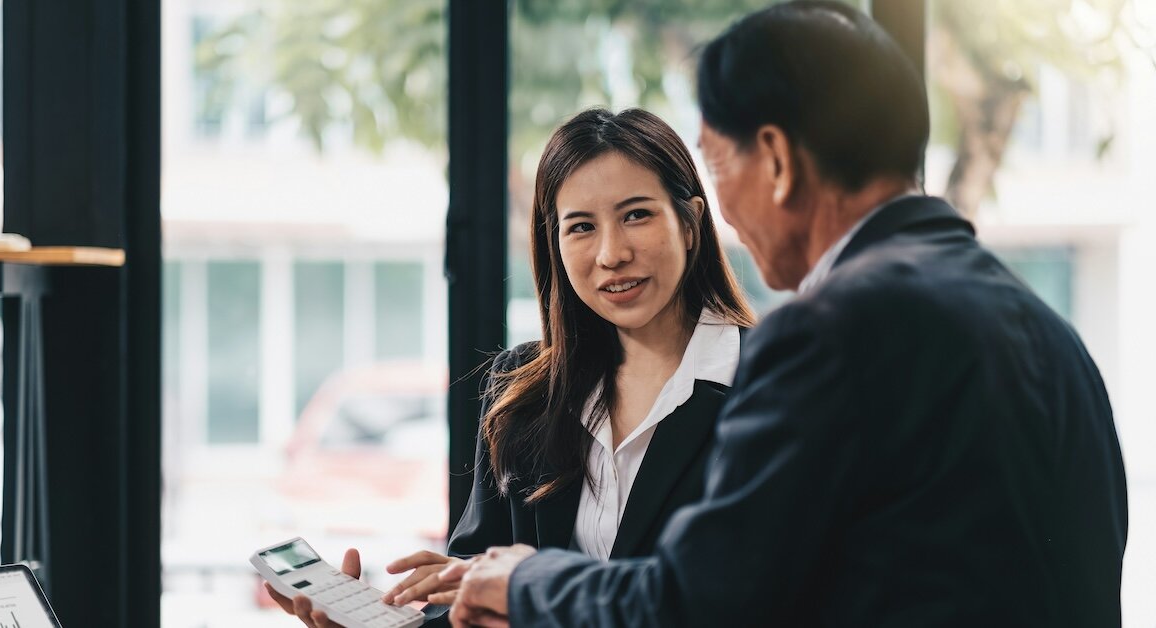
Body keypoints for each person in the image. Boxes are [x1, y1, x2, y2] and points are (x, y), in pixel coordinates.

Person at [441, 2, 1129, 627]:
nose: (728, 214)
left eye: (716, 163)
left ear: (775, 160)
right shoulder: (1045, 330)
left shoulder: (830, 332)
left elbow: (695, 602)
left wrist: (528, 580)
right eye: (580, 228)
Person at [268, 107, 756, 627]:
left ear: (690, 222)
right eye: (582, 227)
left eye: (637, 214)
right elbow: (473, 603)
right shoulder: (524, 391)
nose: (612, 254)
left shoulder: (770, 385)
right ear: (555, 244)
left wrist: (534, 595)